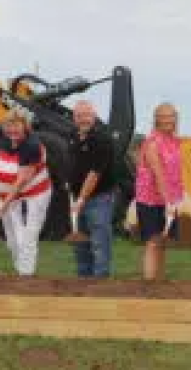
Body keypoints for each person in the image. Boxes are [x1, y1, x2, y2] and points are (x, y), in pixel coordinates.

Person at [0, 111, 52, 276]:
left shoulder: (31, 145)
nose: (12, 130)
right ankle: (21, 271)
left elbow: (22, 179)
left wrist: (5, 203)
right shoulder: (7, 141)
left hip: (34, 194)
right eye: (8, 126)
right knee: (12, 240)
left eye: (16, 125)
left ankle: (26, 277)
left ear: (25, 125)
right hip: (10, 195)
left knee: (27, 237)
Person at [68, 99, 122, 278]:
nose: (83, 119)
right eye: (79, 116)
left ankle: (100, 285)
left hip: (99, 198)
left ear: (94, 115)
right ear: (74, 118)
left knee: (99, 244)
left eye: (87, 115)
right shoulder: (74, 136)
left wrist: (81, 199)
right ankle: (83, 284)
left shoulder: (102, 138)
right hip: (78, 198)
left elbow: (94, 173)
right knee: (81, 246)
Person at [135, 103, 184, 281]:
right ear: (156, 119)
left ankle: (159, 283)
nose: (168, 120)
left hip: (169, 199)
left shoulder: (176, 142)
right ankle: (149, 285)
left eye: (171, 116)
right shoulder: (152, 143)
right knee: (153, 242)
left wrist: (174, 200)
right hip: (150, 200)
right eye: (163, 116)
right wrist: (168, 203)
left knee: (163, 243)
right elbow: (159, 175)